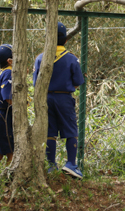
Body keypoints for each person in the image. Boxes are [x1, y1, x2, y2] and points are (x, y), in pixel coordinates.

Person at [33, 22, 85, 179]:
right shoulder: (71, 59)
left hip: (45, 99)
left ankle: (51, 165)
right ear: (66, 40)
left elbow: (36, 83)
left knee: (50, 132)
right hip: (64, 98)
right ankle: (70, 164)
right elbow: (78, 81)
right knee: (71, 130)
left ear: (48, 39)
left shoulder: (40, 58)